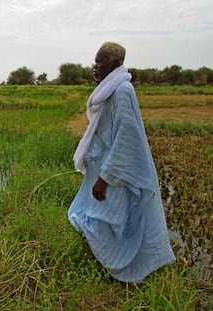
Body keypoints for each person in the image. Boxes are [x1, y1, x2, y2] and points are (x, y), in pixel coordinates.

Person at [68, 42, 175, 282]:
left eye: (100, 62)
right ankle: (108, 265)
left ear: (115, 64)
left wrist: (105, 179)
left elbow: (127, 138)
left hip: (114, 172)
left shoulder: (122, 91)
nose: (94, 66)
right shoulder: (111, 89)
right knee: (97, 216)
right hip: (104, 168)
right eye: (95, 61)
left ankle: (124, 268)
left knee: (112, 220)